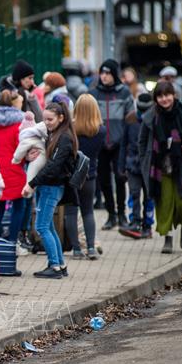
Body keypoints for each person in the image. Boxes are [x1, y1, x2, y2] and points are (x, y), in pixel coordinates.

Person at [139, 82, 182, 254]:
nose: (164, 99)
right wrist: (144, 162)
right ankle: (167, 238)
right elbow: (141, 142)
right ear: (156, 99)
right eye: (160, 96)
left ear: (173, 95)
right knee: (164, 203)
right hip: (159, 168)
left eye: (167, 95)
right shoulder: (150, 117)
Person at [22, 101, 78, 279]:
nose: (46, 123)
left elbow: (53, 167)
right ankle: (60, 264)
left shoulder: (64, 138)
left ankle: (54, 266)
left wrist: (32, 183)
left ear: (61, 118)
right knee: (49, 227)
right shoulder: (56, 134)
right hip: (50, 186)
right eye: (44, 119)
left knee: (42, 227)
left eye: (50, 119)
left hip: (51, 187)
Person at [89, 59, 135, 230]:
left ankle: (122, 214)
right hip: (100, 144)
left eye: (108, 73)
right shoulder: (93, 93)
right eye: (102, 73)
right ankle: (111, 215)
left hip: (119, 144)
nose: (104, 76)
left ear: (114, 74)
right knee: (104, 181)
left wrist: (129, 142)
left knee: (120, 178)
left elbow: (131, 119)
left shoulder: (124, 93)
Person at [0, 90, 28, 251]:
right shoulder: (18, 126)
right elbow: (22, 149)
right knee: (19, 206)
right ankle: (12, 241)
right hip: (15, 170)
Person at [66, 94, 106, 259]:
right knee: (88, 212)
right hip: (90, 175)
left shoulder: (70, 129)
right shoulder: (100, 130)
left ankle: (76, 249)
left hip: (71, 176)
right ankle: (90, 247)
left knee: (71, 212)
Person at [119, 93, 154, 239]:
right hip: (132, 164)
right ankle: (134, 222)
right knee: (134, 193)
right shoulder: (130, 119)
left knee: (148, 196)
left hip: (150, 165)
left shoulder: (155, 120)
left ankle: (147, 225)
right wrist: (121, 165)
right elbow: (123, 143)